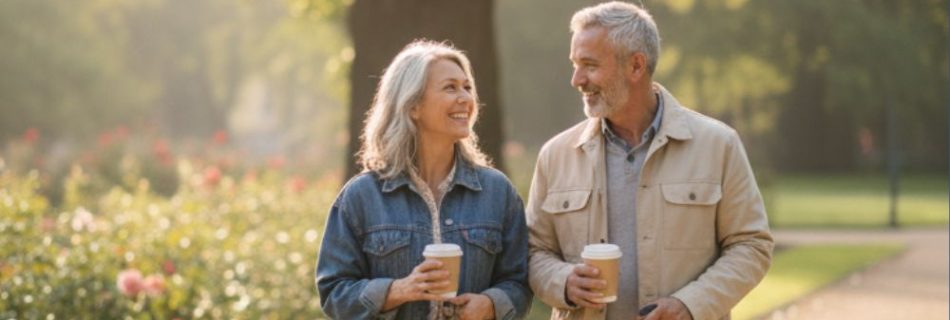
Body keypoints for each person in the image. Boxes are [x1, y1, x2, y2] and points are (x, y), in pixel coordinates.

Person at [526, 2, 773, 320]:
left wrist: (690, 304)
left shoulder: (719, 145)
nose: (576, 79)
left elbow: (751, 245)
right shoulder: (555, 155)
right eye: (575, 64)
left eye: (589, 65)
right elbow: (533, 252)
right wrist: (563, 282)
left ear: (636, 66)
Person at [316, 40, 532, 320]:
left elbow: (520, 281)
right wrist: (399, 290)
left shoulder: (497, 191)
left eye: (467, 87)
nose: (465, 98)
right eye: (450, 87)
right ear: (413, 105)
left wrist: (490, 305)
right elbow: (333, 294)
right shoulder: (361, 196)